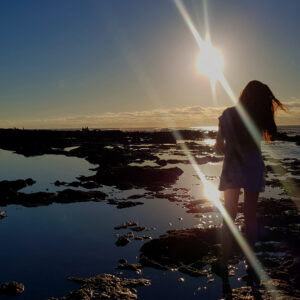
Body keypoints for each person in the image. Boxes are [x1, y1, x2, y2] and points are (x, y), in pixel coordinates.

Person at [215, 80, 286, 278]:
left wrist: (231, 152)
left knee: (229, 215)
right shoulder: (260, 117)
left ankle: (223, 262)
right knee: (250, 215)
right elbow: (273, 133)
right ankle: (251, 264)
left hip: (232, 167)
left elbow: (218, 144)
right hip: (253, 166)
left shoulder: (228, 114)